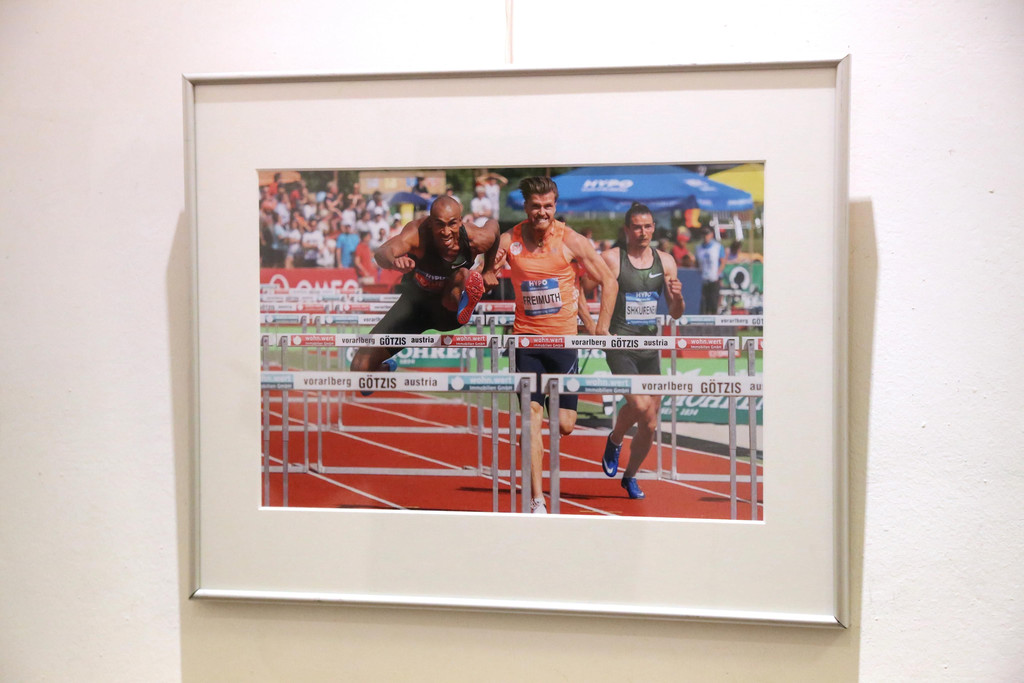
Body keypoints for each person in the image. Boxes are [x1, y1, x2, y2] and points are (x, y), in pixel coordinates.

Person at [498, 176, 617, 514]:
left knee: (564, 424)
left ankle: (537, 437)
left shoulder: (571, 240)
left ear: (555, 206)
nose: (542, 212)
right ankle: (537, 499)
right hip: (526, 341)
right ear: (526, 207)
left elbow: (609, 281)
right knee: (532, 418)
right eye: (536, 206)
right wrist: (485, 271)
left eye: (548, 206)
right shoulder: (510, 240)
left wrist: (600, 327)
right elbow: (485, 269)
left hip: (563, 343)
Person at [350, 196, 501, 374]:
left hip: (447, 309)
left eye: (452, 224)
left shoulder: (475, 237)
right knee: (359, 367)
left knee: (463, 275)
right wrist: (393, 261)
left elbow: (494, 227)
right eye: (440, 225)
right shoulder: (417, 234)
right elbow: (382, 252)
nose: (446, 232)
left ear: (460, 221)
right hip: (413, 308)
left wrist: (489, 270)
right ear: (430, 223)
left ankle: (465, 300)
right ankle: (385, 368)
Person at [599, 202, 685, 499]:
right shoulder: (612, 259)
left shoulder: (666, 262)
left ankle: (631, 476)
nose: (643, 232)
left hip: (649, 347)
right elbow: (582, 286)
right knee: (639, 405)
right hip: (620, 344)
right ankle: (615, 438)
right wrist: (596, 325)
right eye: (637, 227)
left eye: (648, 226)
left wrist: (678, 298)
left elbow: (675, 312)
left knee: (649, 423)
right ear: (626, 229)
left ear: (654, 228)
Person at [695, 225, 726, 314]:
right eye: (703, 234)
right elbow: (697, 263)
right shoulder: (698, 248)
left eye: (707, 234)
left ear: (711, 234)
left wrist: (718, 274)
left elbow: (723, 262)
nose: (705, 236)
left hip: (714, 279)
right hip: (702, 279)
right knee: (703, 303)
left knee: (713, 302)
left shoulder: (717, 247)